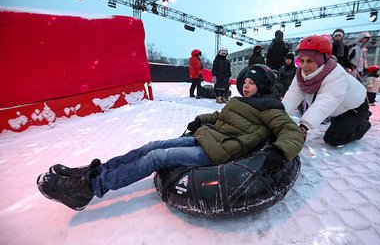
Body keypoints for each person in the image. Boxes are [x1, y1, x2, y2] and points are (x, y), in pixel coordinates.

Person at [37, 64, 305, 211]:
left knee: (157, 157)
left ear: (264, 86)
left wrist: (279, 152)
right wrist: (204, 119)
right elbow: (222, 118)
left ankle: (89, 190)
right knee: (153, 145)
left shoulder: (270, 108)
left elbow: (292, 131)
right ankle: (92, 173)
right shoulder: (243, 101)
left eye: (252, 82)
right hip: (207, 137)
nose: (246, 84)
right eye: (245, 80)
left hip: (216, 151)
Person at [282, 35, 371, 146]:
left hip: (355, 107)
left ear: (321, 60)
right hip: (339, 108)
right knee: (337, 123)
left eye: (310, 61)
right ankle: (341, 120)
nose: (304, 66)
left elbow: (326, 101)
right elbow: (293, 95)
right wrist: (279, 115)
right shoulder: (301, 74)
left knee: (333, 138)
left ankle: (363, 123)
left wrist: (303, 127)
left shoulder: (336, 75)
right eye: (302, 60)